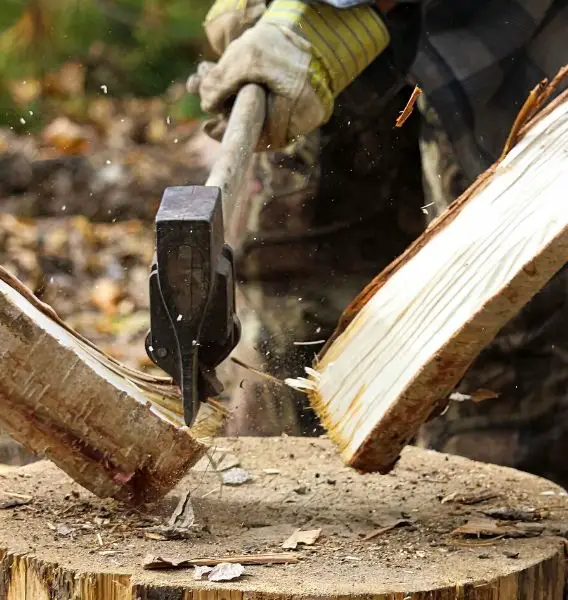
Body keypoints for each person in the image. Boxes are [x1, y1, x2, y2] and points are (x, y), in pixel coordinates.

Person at [188, 0, 568, 487]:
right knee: (294, 314)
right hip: (324, 22)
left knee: (494, 322)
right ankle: (275, 507)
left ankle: (487, 525)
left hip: (504, 39)